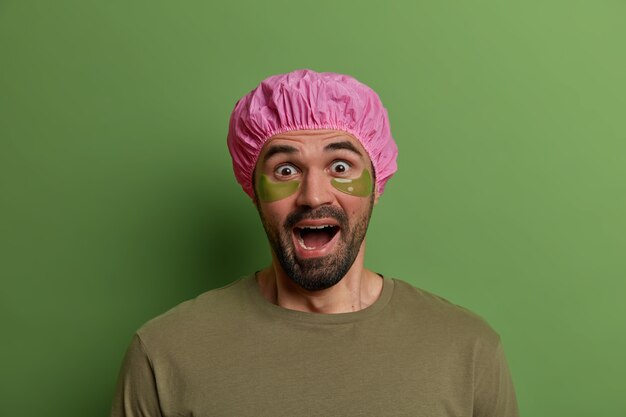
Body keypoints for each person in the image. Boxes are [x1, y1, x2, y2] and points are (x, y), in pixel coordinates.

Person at [110, 69, 519, 417]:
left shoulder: (468, 350)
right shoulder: (163, 355)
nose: (314, 195)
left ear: (376, 184)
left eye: (341, 166)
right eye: (286, 169)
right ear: (251, 188)